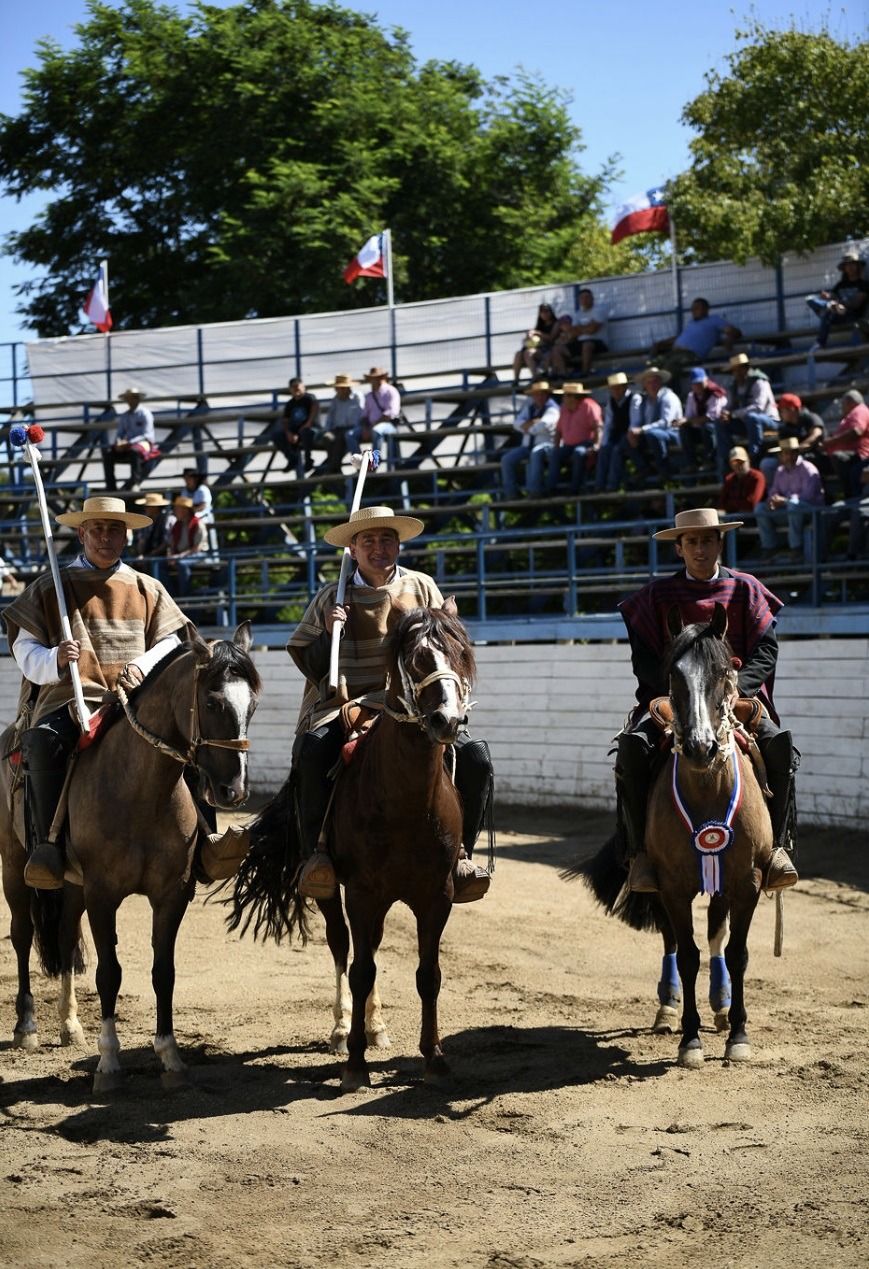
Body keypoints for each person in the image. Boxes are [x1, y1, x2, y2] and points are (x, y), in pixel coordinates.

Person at [286, 504, 493, 903]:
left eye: (387, 539)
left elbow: (450, 648)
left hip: (418, 704)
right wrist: (329, 634)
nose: (378, 548)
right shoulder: (332, 596)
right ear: (352, 549)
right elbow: (310, 664)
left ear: (398, 546)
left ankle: (461, 855)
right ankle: (316, 855)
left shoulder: (423, 587)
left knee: (476, 759)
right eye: (368, 540)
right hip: (348, 704)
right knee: (311, 752)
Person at [3, 495, 189, 888]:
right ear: (82, 534)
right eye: (98, 529)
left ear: (127, 537)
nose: (106, 537)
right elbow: (23, 646)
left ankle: (203, 843)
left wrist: (143, 665)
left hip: (136, 701)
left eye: (114, 529)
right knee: (42, 742)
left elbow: (174, 641)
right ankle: (48, 848)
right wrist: (53, 657)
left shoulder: (148, 587)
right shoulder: (50, 587)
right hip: (72, 699)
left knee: (194, 735)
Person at [615, 507, 798, 895]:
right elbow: (643, 658)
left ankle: (778, 849)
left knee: (779, 745)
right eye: (692, 542)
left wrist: (736, 687)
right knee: (632, 748)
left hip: (736, 697)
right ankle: (638, 853)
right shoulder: (656, 596)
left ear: (720, 543)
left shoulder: (747, 589)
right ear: (679, 548)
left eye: (707, 540)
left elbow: (766, 651)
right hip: (672, 697)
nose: (700, 549)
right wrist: (679, 688)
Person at [755, 437, 825, 562]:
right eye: (785, 453)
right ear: (781, 456)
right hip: (789, 510)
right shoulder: (780, 471)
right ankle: (769, 548)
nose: (789, 457)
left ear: (797, 453)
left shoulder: (808, 468)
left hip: (812, 511)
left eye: (792, 453)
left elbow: (809, 496)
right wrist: (773, 499)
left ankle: (797, 548)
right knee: (760, 508)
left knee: (793, 505)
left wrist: (785, 500)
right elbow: (774, 491)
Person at [715, 353, 780, 478]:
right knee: (719, 422)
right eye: (735, 370)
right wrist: (724, 413)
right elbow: (728, 405)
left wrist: (733, 413)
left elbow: (759, 407)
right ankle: (727, 458)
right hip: (747, 423)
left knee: (752, 417)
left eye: (740, 369)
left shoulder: (760, 382)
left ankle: (754, 455)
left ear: (746, 368)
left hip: (768, 420)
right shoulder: (734, 386)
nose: (737, 373)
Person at [500, 379, 560, 500]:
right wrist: (532, 423)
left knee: (536, 453)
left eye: (542, 394)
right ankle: (510, 494)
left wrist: (527, 428)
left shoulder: (553, 409)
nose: (539, 397)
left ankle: (534, 491)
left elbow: (544, 425)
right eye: (537, 394)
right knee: (506, 459)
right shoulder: (530, 408)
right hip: (527, 447)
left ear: (547, 395)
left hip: (547, 445)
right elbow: (516, 424)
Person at [624, 368, 682, 483]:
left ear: (660, 382)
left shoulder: (668, 397)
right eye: (649, 382)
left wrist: (642, 429)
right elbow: (637, 421)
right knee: (625, 440)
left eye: (655, 381)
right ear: (645, 385)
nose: (652, 385)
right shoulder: (644, 400)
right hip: (650, 434)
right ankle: (644, 469)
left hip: (672, 433)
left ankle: (663, 469)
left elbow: (666, 422)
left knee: (653, 434)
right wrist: (632, 432)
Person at [652, 298, 741, 372]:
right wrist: (660, 343)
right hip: (675, 353)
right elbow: (679, 337)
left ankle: (668, 388)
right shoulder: (691, 322)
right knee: (653, 365)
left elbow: (734, 332)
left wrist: (729, 337)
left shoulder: (714, 320)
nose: (693, 311)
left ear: (705, 309)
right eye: (692, 308)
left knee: (670, 366)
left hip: (692, 355)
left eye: (697, 308)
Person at [546, 382, 602, 497]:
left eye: (565, 395)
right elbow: (558, 430)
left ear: (573, 397)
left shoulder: (589, 406)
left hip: (586, 443)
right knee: (556, 454)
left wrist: (596, 444)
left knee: (578, 452)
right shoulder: (564, 409)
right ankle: (550, 489)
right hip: (568, 445)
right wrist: (556, 447)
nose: (563, 398)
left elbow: (598, 426)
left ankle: (574, 489)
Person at [805, 249, 869, 350]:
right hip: (836, 313)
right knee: (810, 299)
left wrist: (838, 303)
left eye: (852, 264)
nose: (850, 267)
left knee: (828, 312)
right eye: (847, 265)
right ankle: (827, 307)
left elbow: (855, 304)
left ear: (858, 266)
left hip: (852, 316)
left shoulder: (863, 285)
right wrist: (827, 297)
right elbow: (832, 296)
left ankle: (820, 343)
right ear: (844, 268)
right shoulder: (840, 285)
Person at [760, 393, 825, 487]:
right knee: (767, 464)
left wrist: (797, 450)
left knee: (799, 461)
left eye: (781, 410)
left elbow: (816, 433)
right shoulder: (784, 427)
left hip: (813, 457)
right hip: (791, 458)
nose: (779, 413)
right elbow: (783, 447)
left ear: (792, 409)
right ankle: (776, 492)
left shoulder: (810, 417)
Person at [816, 389, 869, 500]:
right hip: (847, 457)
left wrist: (830, 442)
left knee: (839, 457)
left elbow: (856, 432)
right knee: (816, 461)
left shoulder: (860, 410)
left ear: (850, 403)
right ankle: (827, 499)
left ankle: (849, 497)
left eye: (843, 405)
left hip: (858, 456)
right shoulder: (854, 413)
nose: (841, 409)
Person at [595, 372, 642, 494]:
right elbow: (608, 424)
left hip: (630, 436)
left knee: (616, 450)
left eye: (618, 387)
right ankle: (599, 485)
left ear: (625, 387)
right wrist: (604, 443)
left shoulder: (635, 398)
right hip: (617, 436)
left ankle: (612, 486)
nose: (615, 391)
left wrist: (629, 435)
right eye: (613, 388)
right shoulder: (611, 402)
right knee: (604, 451)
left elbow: (635, 421)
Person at [102, 387, 156, 492]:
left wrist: (128, 442)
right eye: (129, 398)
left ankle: (135, 483)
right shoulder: (124, 416)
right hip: (127, 445)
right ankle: (111, 486)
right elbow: (120, 433)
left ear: (138, 399)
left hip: (143, 443)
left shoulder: (145, 414)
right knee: (108, 454)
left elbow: (147, 435)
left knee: (134, 451)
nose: (131, 401)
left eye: (133, 398)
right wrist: (118, 442)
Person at [548, 288, 609, 378]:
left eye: (587, 297)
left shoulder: (599, 311)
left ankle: (585, 373)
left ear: (592, 299)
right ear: (579, 300)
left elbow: (592, 330)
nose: (584, 300)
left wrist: (578, 329)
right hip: (580, 343)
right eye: (582, 298)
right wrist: (586, 327)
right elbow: (573, 333)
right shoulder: (577, 314)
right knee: (556, 349)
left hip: (599, 343)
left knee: (587, 345)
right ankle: (565, 376)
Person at [676, 367, 727, 471]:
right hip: (699, 431)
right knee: (684, 429)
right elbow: (688, 416)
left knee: (707, 427)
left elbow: (711, 417)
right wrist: (683, 421)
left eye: (700, 382)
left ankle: (710, 461)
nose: (698, 385)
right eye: (695, 383)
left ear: (706, 379)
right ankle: (691, 463)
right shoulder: (692, 396)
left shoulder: (715, 394)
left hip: (716, 430)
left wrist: (688, 420)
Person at [318, 372, 364, 473]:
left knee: (344, 437)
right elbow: (330, 418)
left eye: (342, 388)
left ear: (348, 388)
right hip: (337, 429)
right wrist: (326, 431)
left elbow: (361, 414)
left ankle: (334, 468)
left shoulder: (356, 397)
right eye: (338, 388)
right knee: (327, 438)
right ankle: (335, 468)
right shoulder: (335, 400)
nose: (340, 390)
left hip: (352, 428)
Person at [274, 378, 319, 473]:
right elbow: (284, 420)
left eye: (297, 387)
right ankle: (292, 459)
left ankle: (308, 460)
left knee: (305, 433)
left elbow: (315, 408)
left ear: (303, 386)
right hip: (297, 432)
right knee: (276, 435)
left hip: (311, 430)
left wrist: (308, 424)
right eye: (293, 388)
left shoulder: (310, 398)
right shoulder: (290, 403)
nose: (296, 390)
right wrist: (288, 433)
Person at [165, 496, 208, 597]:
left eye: (177, 509)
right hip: (181, 555)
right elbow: (170, 544)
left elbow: (198, 547)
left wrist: (179, 556)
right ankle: (170, 595)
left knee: (182, 564)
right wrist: (170, 555)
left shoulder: (197, 523)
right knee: (159, 564)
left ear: (185, 510)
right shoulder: (177, 525)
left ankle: (185, 597)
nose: (174, 511)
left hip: (198, 554)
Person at [359, 367, 402, 464]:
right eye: (372, 378)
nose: (374, 381)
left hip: (389, 425)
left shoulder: (391, 391)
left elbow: (390, 414)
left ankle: (374, 461)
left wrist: (372, 426)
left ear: (381, 378)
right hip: (371, 426)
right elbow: (364, 415)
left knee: (377, 430)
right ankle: (360, 463)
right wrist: (365, 428)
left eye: (376, 378)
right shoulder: (369, 396)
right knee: (350, 435)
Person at [512, 302, 558, 384]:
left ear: (551, 312)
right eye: (542, 312)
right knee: (518, 354)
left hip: (549, 351)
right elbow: (529, 342)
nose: (545, 314)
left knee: (528, 353)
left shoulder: (556, 324)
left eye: (547, 311)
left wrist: (537, 333)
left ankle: (536, 377)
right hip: (537, 349)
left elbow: (551, 338)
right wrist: (529, 338)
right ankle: (516, 381)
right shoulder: (539, 325)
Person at [719, 446, 765, 516]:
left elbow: (752, 504)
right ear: (730, 464)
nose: (739, 465)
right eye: (735, 462)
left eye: (742, 462)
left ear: (748, 461)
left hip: (753, 517)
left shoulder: (757, 476)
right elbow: (722, 504)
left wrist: (732, 503)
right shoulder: (729, 479)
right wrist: (740, 504)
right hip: (733, 517)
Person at [134, 491, 172, 557]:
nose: (145, 508)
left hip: (163, 556)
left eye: (148, 506)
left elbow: (167, 542)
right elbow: (142, 540)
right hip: (148, 554)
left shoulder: (168, 519)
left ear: (156, 507)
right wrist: (141, 554)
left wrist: (151, 555)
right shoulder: (145, 520)